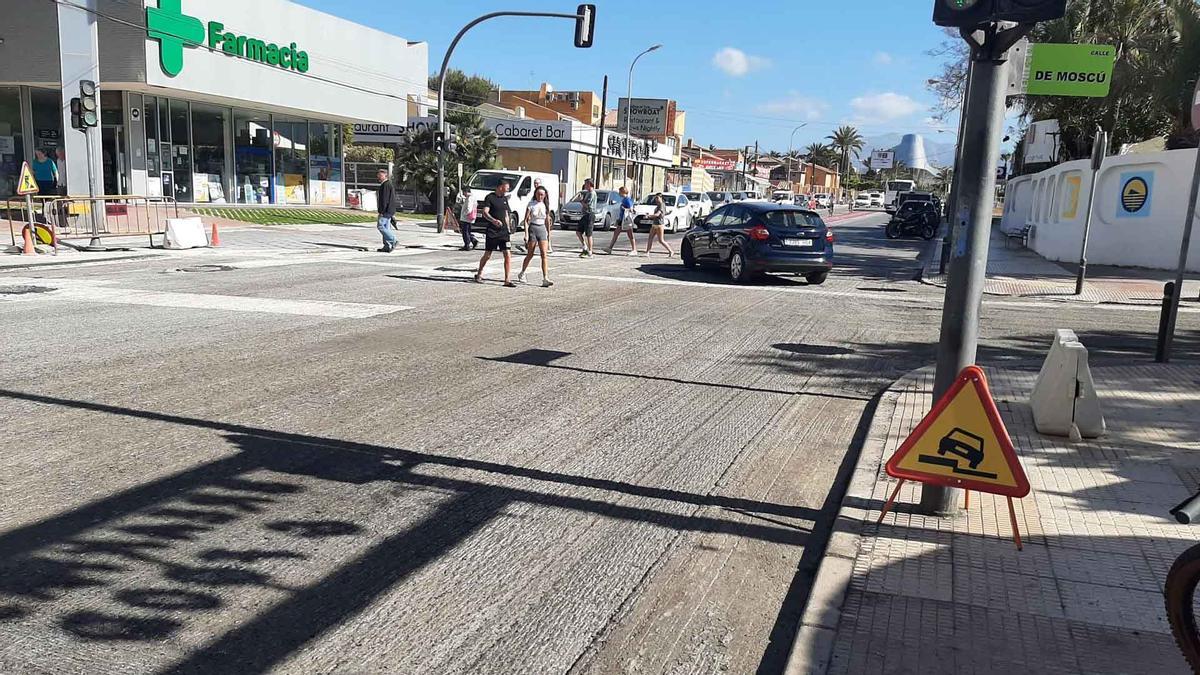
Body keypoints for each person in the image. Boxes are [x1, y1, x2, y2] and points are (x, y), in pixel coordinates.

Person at [475, 180, 516, 287]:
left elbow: (506, 214)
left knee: (507, 254)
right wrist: (493, 221)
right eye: (506, 187)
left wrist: (508, 228)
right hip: (492, 231)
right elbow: (485, 212)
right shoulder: (490, 198)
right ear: (500, 187)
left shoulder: (504, 199)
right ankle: (479, 273)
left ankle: (507, 279)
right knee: (488, 255)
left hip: (504, 232)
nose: (507, 190)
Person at [517, 185, 554, 287]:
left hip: (542, 228)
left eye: (542, 194)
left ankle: (545, 278)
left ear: (545, 195)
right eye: (538, 194)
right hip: (533, 228)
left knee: (544, 254)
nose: (540, 196)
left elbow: (547, 220)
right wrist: (526, 234)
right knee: (530, 254)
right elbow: (525, 220)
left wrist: (548, 233)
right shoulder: (531, 204)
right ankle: (522, 272)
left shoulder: (545, 205)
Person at [603, 186, 639, 256]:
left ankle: (634, 250)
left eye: (620, 192)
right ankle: (610, 248)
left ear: (623, 192)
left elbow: (631, 209)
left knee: (630, 235)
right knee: (616, 233)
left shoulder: (627, 200)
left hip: (626, 220)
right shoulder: (624, 199)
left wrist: (624, 208)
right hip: (622, 219)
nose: (619, 193)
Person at [643, 192, 674, 257]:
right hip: (654, 224)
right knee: (650, 238)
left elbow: (658, 214)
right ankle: (647, 252)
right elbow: (664, 213)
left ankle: (671, 251)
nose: (656, 199)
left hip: (659, 225)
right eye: (655, 198)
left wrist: (648, 216)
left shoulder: (661, 205)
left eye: (657, 198)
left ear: (661, 198)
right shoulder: (659, 205)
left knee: (661, 240)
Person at [375, 169, 398, 253]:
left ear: (385, 176)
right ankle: (387, 245)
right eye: (378, 175)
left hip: (386, 210)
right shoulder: (388, 184)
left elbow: (384, 200)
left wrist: (381, 211)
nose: (379, 177)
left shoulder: (385, 185)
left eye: (380, 175)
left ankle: (393, 240)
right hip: (389, 210)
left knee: (380, 226)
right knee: (386, 227)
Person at [576, 178, 597, 257]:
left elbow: (588, 205)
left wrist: (581, 201)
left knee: (589, 234)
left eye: (586, 184)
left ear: (589, 184)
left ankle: (590, 251)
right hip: (585, 215)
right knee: (578, 231)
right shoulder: (588, 193)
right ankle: (584, 246)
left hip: (590, 214)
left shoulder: (592, 193)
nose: (585, 185)